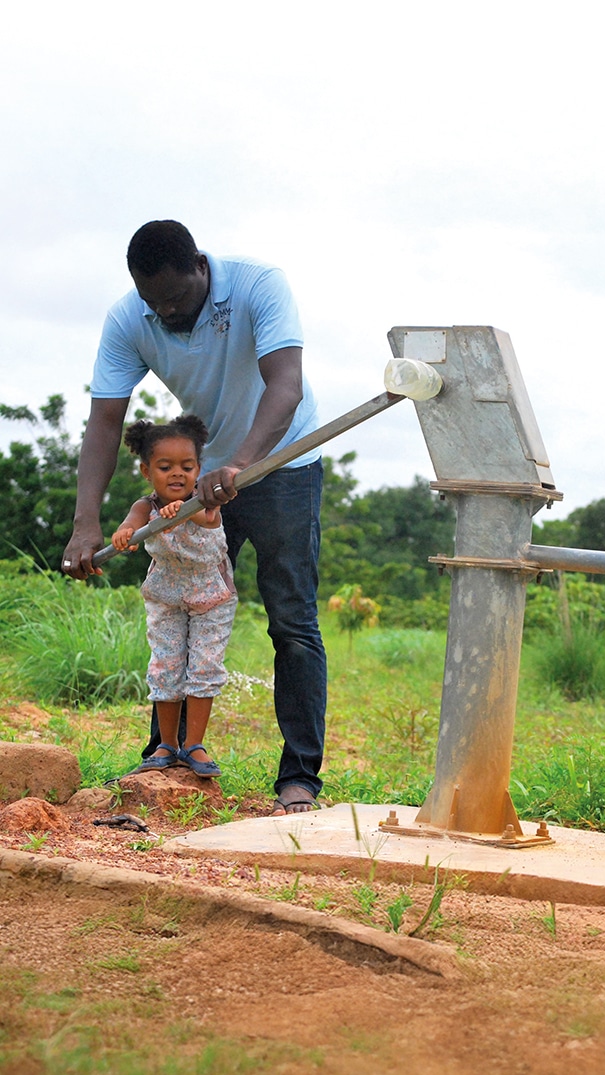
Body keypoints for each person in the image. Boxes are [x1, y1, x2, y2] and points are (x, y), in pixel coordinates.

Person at [61, 220, 327, 816]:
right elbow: (105, 422)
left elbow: (284, 387)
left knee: (291, 620)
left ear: (200, 269)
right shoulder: (130, 318)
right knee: (179, 609)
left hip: (282, 463)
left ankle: (300, 777)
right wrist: (87, 523)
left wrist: (239, 464)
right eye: (154, 303)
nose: (167, 313)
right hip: (199, 485)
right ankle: (167, 753)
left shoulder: (259, 285)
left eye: (177, 300)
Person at [112, 415, 237, 777]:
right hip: (166, 595)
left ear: (199, 469)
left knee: (204, 667)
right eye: (165, 467)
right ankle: (166, 745)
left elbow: (207, 520)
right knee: (165, 666)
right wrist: (125, 533)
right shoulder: (145, 506)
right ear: (146, 471)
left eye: (187, 466)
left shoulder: (203, 500)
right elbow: (132, 524)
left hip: (210, 596)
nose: (177, 474)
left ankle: (193, 745)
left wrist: (182, 513)